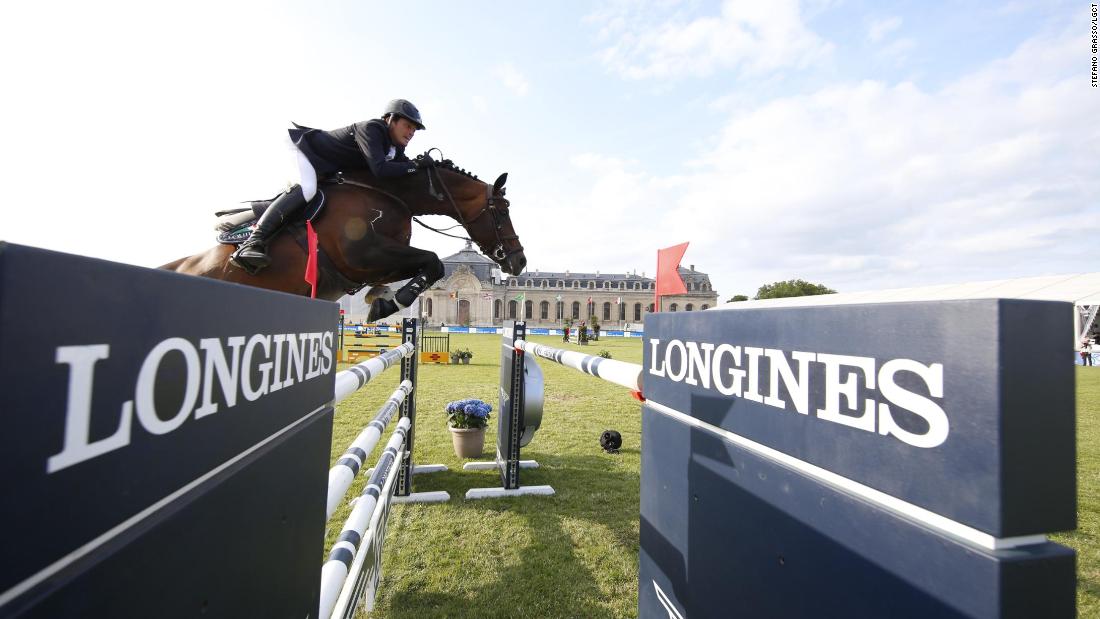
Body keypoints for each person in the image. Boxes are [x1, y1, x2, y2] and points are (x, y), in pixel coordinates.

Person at [230, 99, 428, 273]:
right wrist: (415, 166)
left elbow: (402, 173)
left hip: (325, 166)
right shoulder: (373, 129)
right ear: (390, 119)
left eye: (414, 129)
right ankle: (253, 242)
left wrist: (423, 167)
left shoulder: (395, 148)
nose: (411, 133)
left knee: (317, 195)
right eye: (407, 126)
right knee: (308, 190)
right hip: (304, 149)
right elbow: (381, 170)